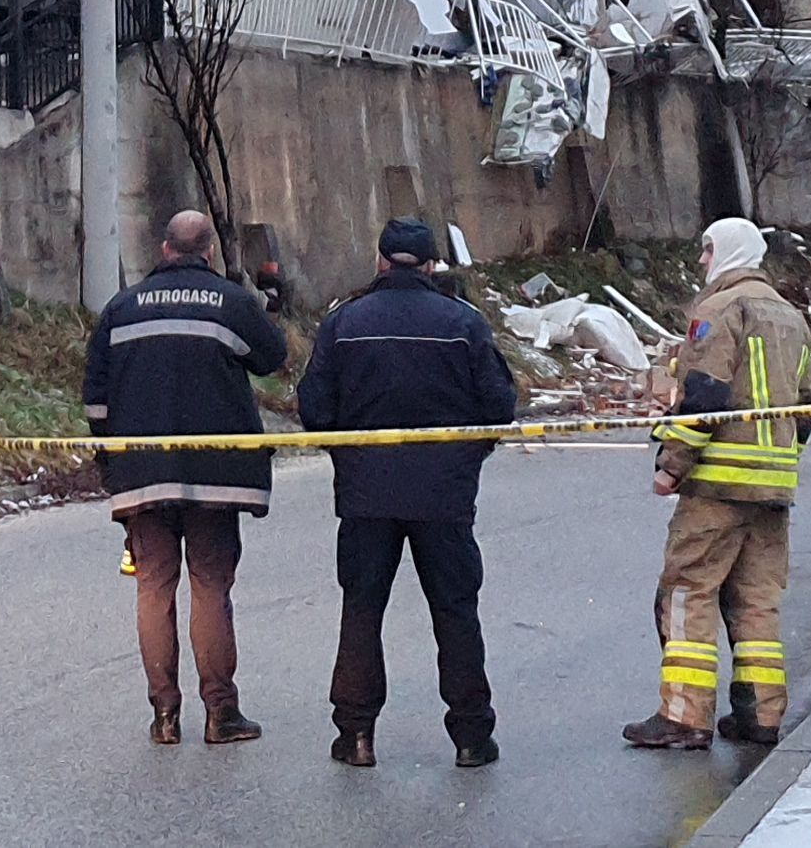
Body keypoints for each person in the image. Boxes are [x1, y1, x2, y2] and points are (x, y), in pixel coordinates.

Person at [295, 217, 520, 770]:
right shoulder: (463, 322)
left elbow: (315, 409)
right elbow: (498, 406)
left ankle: (356, 735)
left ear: (378, 260)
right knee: (455, 612)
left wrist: (349, 458)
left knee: (362, 611)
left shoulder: (343, 322)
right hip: (444, 498)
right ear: (431, 266)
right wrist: (465, 459)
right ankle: (471, 737)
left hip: (366, 497)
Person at [84, 208, 290, 745]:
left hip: (141, 472)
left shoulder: (120, 309)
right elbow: (272, 358)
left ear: (164, 249)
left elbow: (96, 401)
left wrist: (113, 463)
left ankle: (165, 717)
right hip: (215, 476)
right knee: (210, 587)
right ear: (211, 252)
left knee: (153, 588)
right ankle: (221, 714)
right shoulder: (230, 302)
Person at [623, 216, 811, 751]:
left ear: (727, 252)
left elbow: (704, 396)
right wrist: (777, 462)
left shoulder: (718, 311)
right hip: (773, 488)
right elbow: (806, 408)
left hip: (717, 485)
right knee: (757, 599)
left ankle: (685, 716)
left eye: (707, 251)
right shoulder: (791, 317)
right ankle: (760, 715)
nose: (702, 262)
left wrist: (672, 464)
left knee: (688, 591)